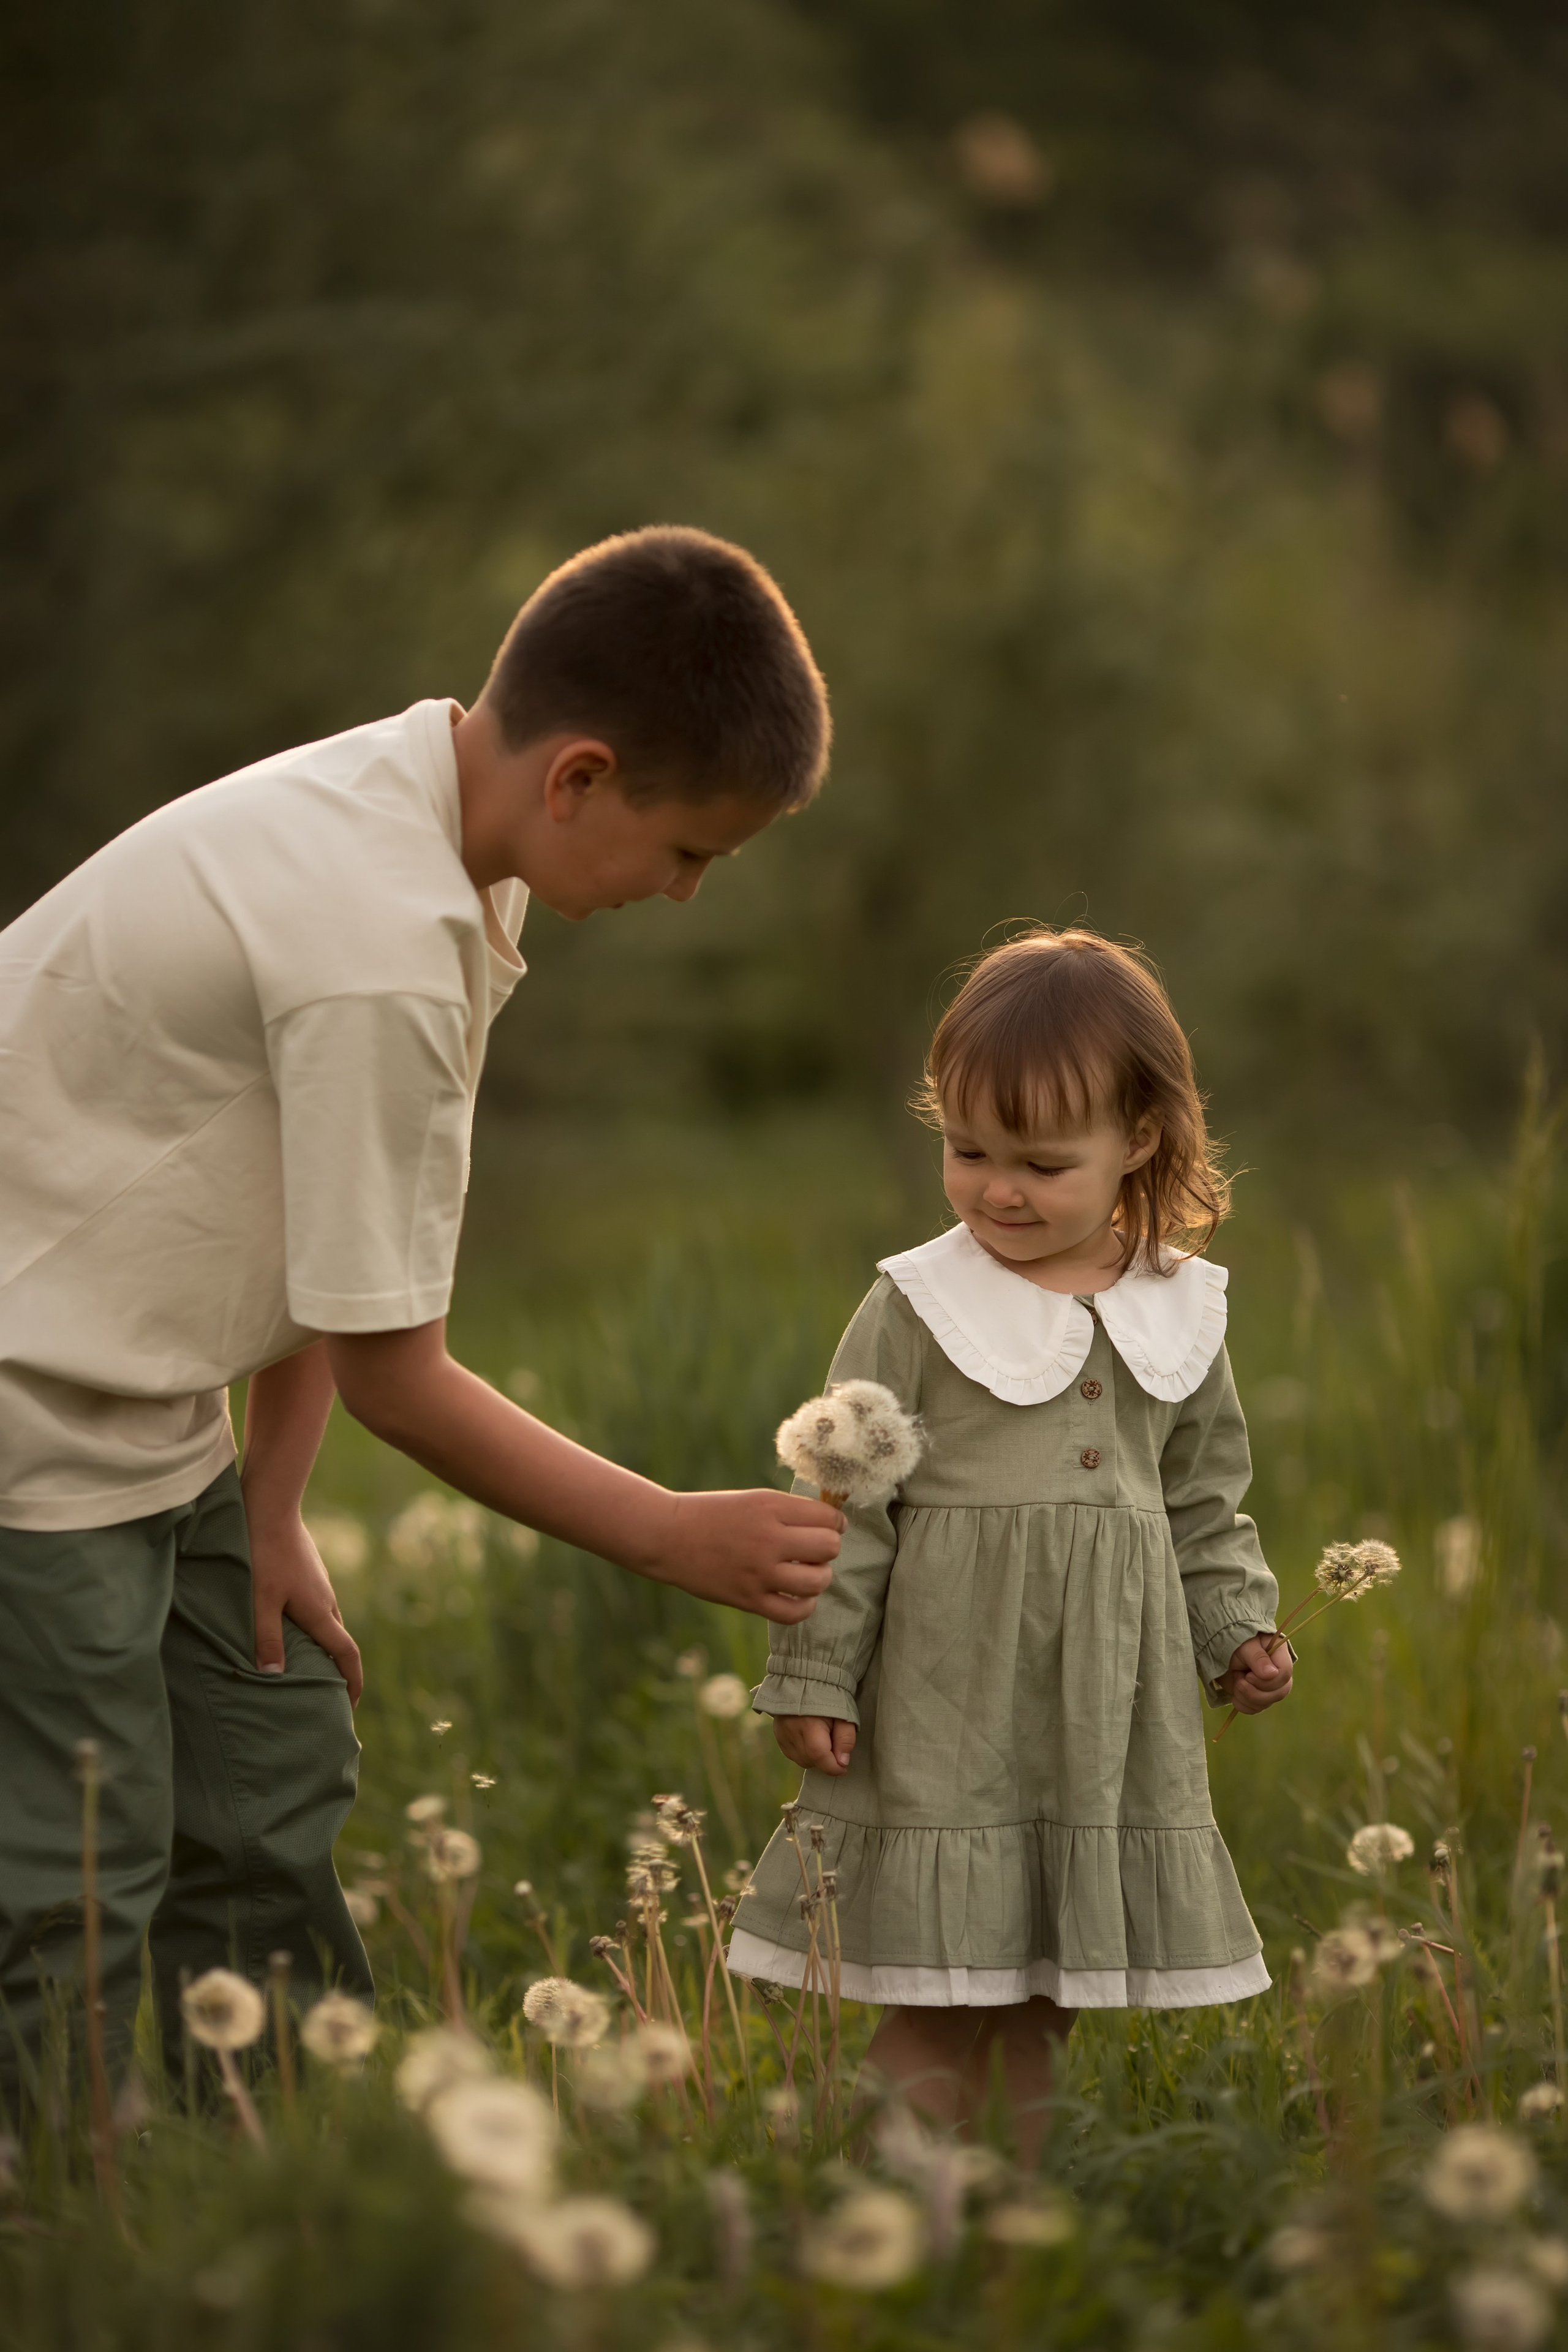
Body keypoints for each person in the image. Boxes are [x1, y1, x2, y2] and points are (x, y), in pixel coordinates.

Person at [0, 525, 844, 2102]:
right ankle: (75, 2226)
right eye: (690, 852)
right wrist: (668, 1534)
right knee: (74, 1873)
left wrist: (269, 1503)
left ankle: (260, 2170)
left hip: (151, 1403)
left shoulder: (417, 817)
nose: (682, 892)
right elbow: (401, 1376)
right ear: (580, 779)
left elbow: (341, 1234)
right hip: (29, 1417)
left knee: (264, 1764)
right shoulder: (376, 942)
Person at [728, 927, 1293, 2162]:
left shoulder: (1177, 1309)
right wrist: (813, 1671)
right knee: (935, 1993)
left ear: (1136, 1141)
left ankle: (1006, 2235)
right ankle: (893, 2222)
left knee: (1039, 2000)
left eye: (1040, 1162)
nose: (996, 1189)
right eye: (966, 1150)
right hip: (946, 1702)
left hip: (1097, 1716)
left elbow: (1201, 1499)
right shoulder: (916, 1303)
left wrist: (1232, 1626)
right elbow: (844, 1501)